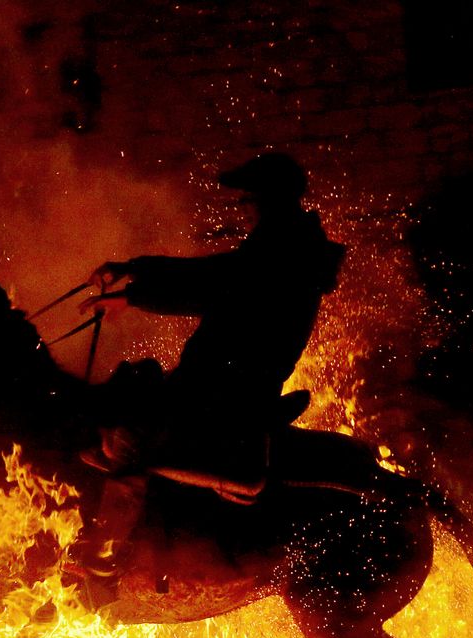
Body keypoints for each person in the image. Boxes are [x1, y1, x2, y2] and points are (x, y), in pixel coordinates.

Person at [73, 152, 345, 579]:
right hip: (220, 380)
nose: (244, 208)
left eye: (248, 199)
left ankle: (105, 560)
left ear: (270, 199)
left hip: (230, 388)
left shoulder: (285, 251)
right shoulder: (287, 246)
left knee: (127, 438)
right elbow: (219, 279)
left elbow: (216, 283)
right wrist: (132, 281)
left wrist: (133, 285)